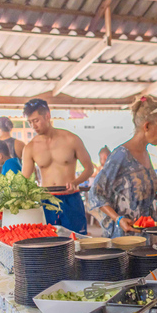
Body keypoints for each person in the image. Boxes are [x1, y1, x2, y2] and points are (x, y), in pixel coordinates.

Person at [89, 96, 157, 238]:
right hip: (124, 237)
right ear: (147, 126)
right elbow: (95, 193)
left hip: (146, 236)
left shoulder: (144, 153)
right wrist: (118, 219)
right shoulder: (120, 156)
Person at [21, 99, 93, 234]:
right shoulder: (30, 148)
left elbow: (89, 168)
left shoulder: (71, 139)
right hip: (46, 201)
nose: (33, 126)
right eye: (30, 122)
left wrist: (76, 182)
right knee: (49, 243)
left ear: (47, 116)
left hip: (71, 199)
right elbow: (24, 179)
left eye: (36, 120)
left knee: (76, 242)